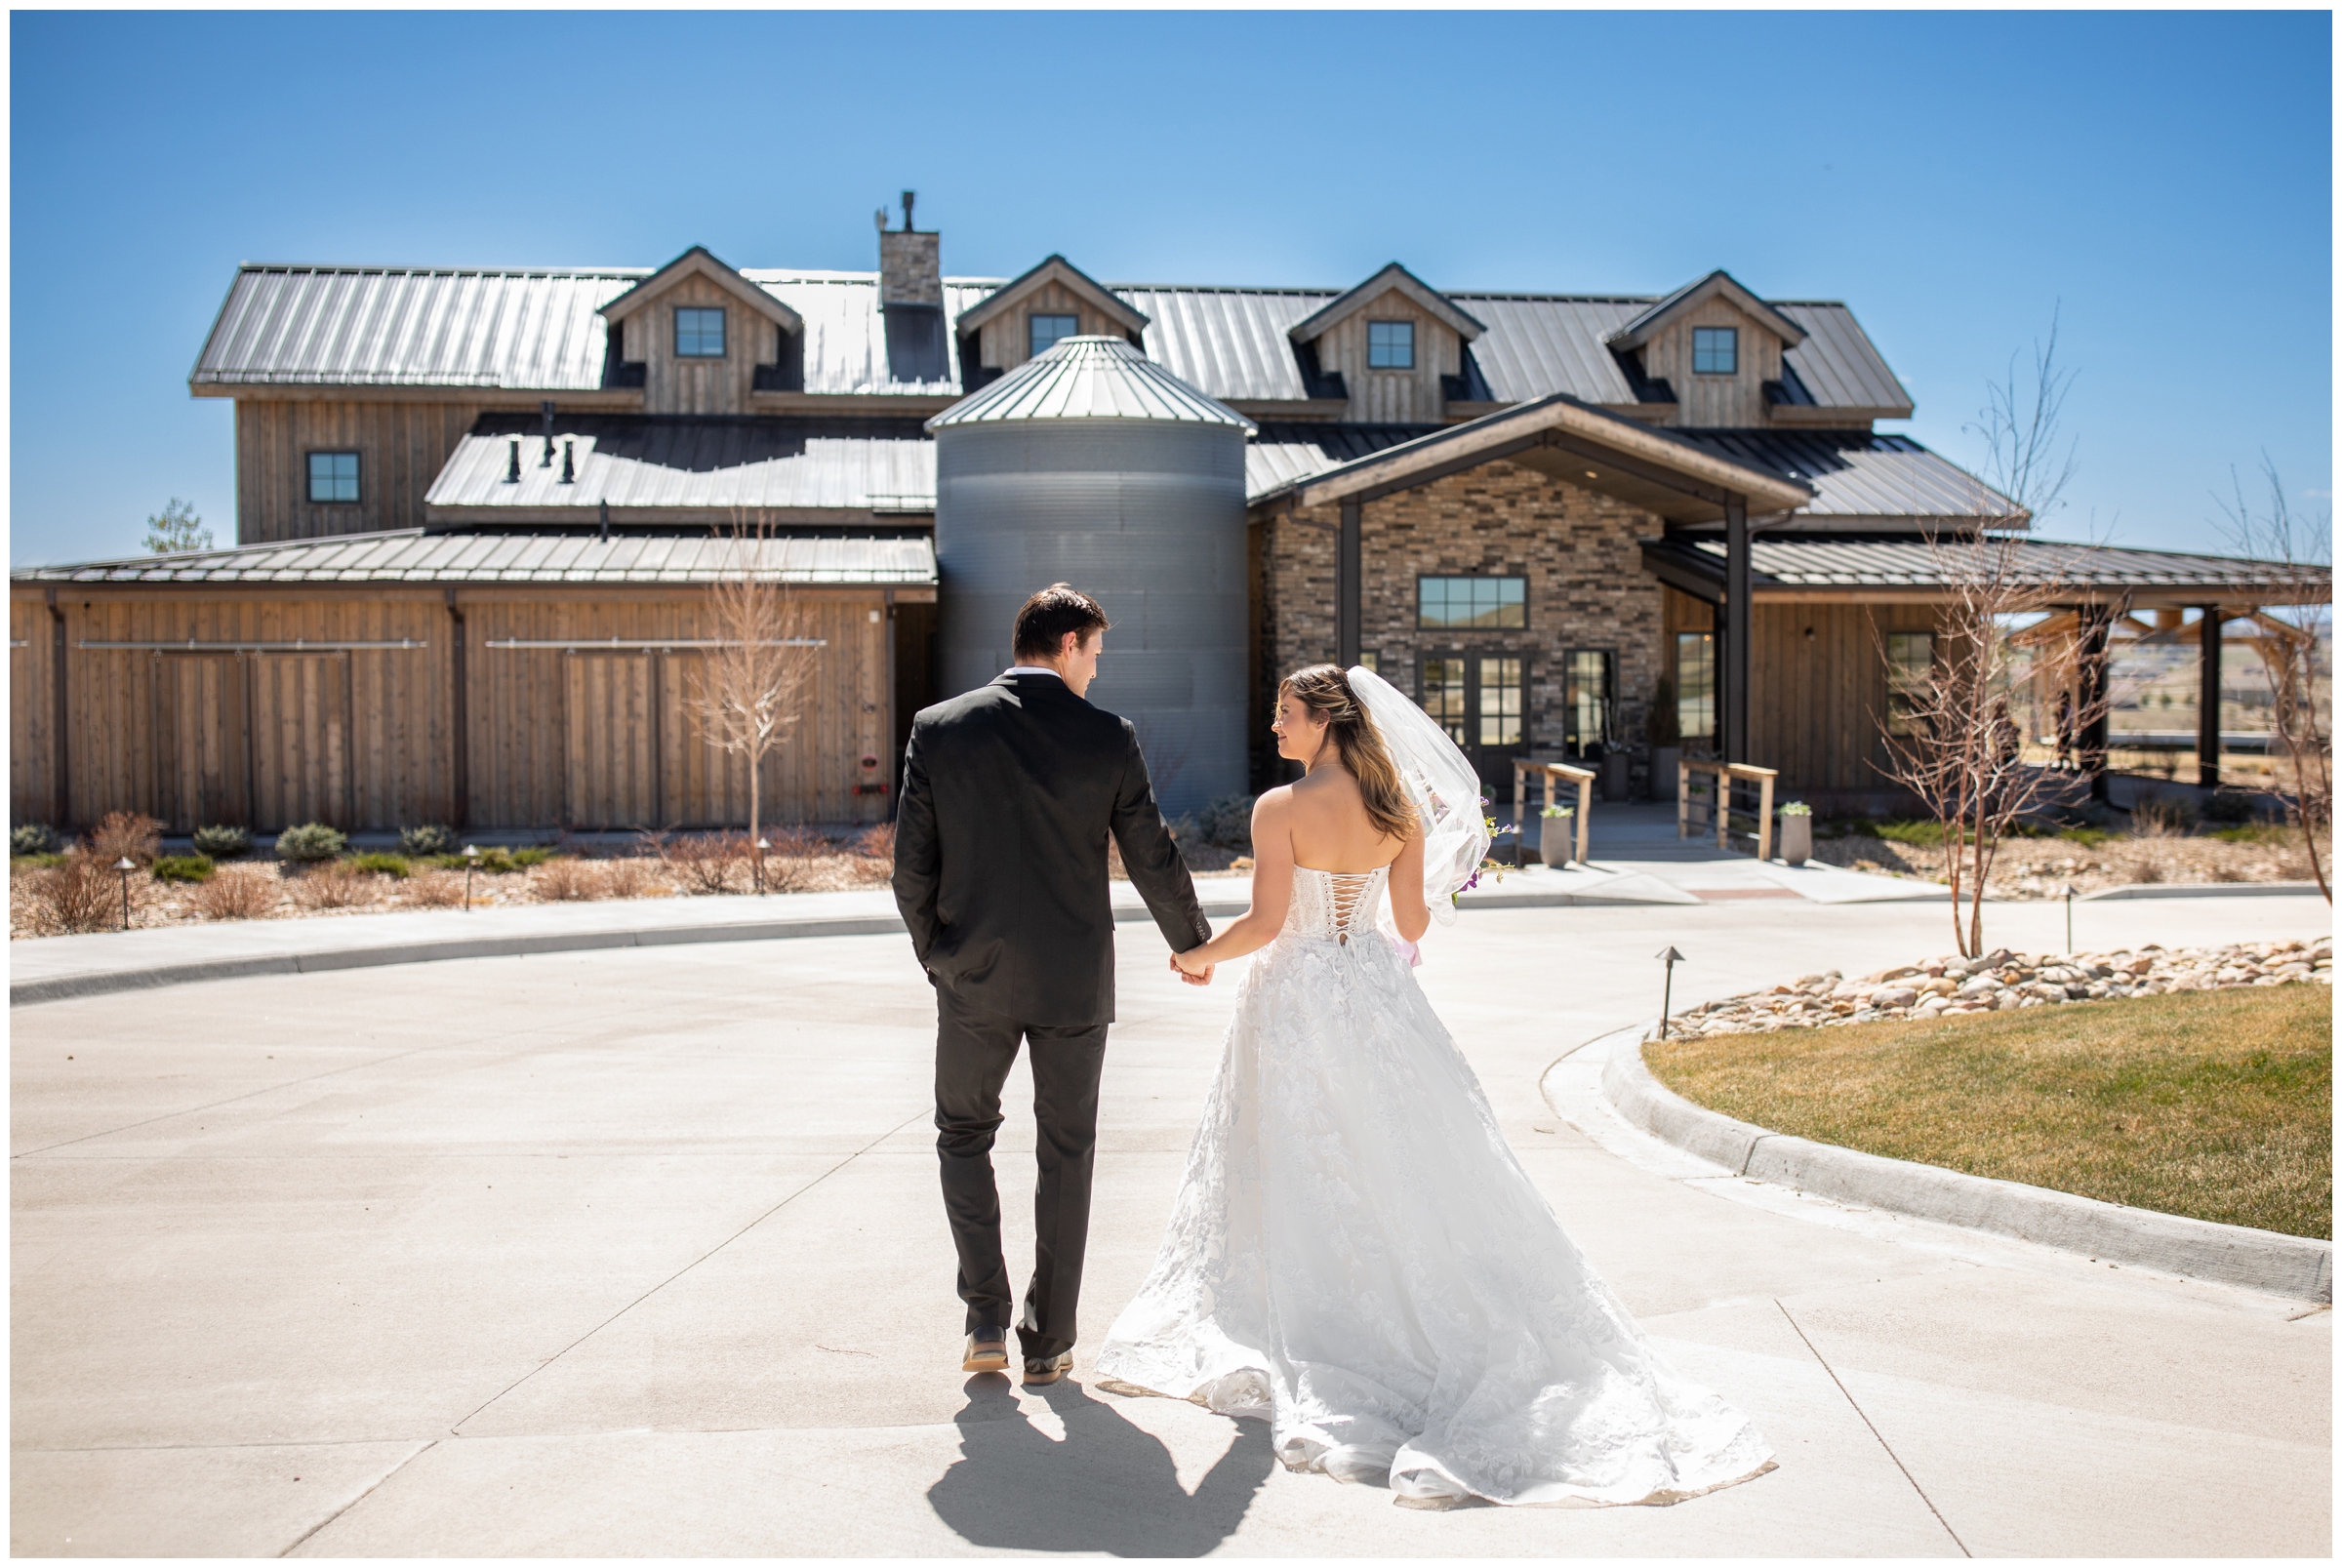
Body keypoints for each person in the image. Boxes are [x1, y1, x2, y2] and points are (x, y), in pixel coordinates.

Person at [1095, 663, 1775, 1509]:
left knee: (1298, 1156)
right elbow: (1410, 925)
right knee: (1402, 1156)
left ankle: (1310, 1313)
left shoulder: (1281, 808)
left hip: (1296, 1000)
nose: (1274, 729)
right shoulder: (1398, 811)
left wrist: (1197, 954)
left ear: (1326, 721)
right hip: (1379, 995)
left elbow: (1269, 924)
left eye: (1284, 715)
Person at [892, 583, 1214, 1388]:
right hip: (1074, 980)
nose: (1095, 672)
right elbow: (1151, 852)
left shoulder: (940, 728)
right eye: (1095, 654)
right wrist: (1194, 943)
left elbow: (909, 870)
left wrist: (942, 956)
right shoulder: (1108, 738)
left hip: (973, 976)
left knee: (963, 1137)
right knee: (1066, 1154)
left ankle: (985, 1320)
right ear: (1067, 643)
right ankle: (1051, 1341)